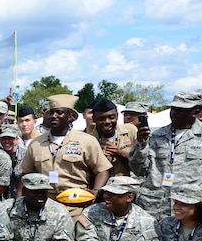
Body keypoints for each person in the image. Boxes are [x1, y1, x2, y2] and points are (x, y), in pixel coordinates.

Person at [19, 94, 112, 219]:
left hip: (77, 206)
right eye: (50, 113)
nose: (53, 116)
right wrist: (18, 203)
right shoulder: (36, 143)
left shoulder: (87, 141)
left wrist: (96, 192)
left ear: (71, 117)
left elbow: (103, 170)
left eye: (59, 112)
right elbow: (25, 175)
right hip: (45, 207)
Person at [129, 90, 202, 221]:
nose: (174, 113)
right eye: (173, 109)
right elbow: (138, 170)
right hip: (154, 207)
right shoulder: (156, 136)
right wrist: (140, 143)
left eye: (181, 110)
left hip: (190, 208)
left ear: (195, 112)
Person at [91, 98, 138, 177]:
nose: (107, 121)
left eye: (111, 117)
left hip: (128, 183)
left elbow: (142, 161)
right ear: (94, 119)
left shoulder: (131, 130)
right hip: (102, 185)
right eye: (101, 119)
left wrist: (121, 153)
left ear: (117, 116)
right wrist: (99, 159)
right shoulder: (89, 139)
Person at [0, 124, 26, 201]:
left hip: (22, 197)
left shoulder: (26, 155)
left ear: (16, 139)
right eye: (3, 138)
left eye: (10, 139)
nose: (6, 141)